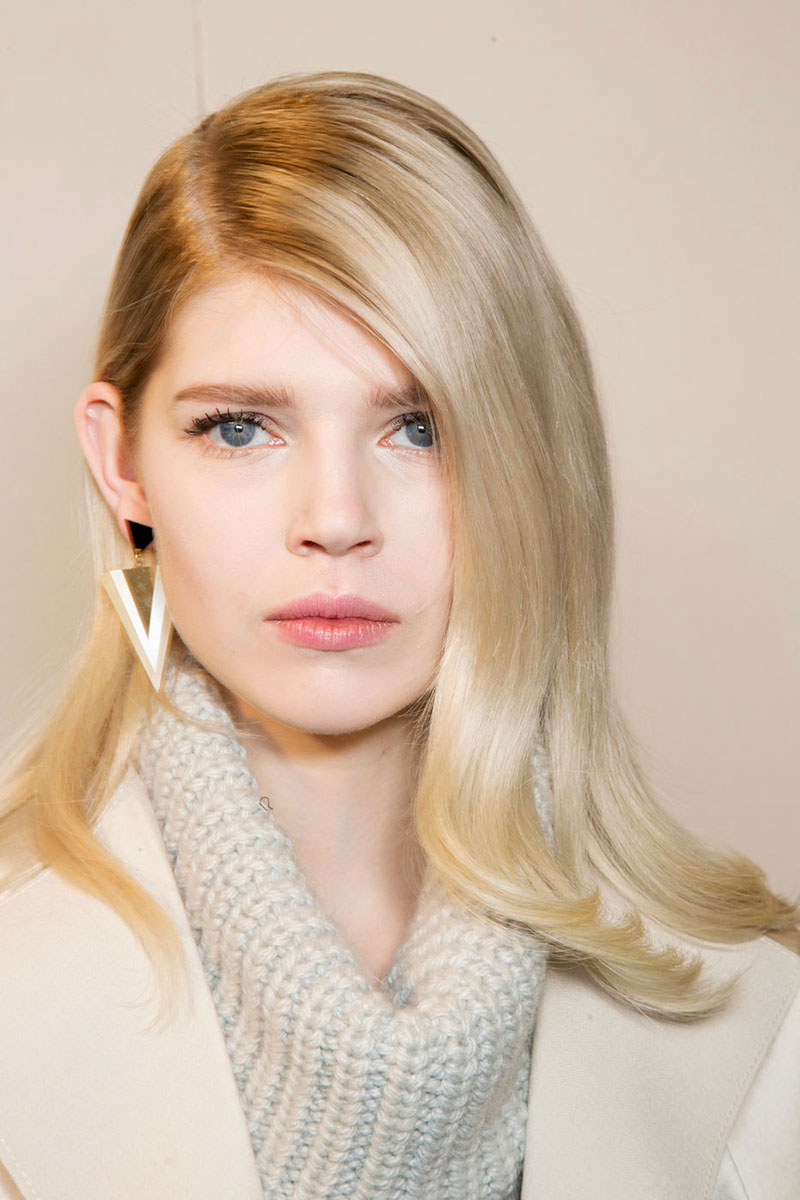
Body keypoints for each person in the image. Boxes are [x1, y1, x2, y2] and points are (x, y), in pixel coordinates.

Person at [0, 71, 797, 1200]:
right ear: (122, 462)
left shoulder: (763, 1034)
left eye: (420, 427)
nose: (335, 520)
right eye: (241, 428)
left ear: (531, 463)